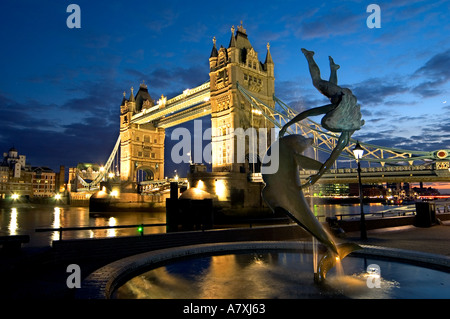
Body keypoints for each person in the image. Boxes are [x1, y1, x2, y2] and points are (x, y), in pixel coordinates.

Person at [280, 48, 364, 188]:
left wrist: (318, 176)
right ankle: (310, 56)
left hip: (337, 95)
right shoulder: (338, 112)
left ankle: (333, 69)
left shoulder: (345, 129)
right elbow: (307, 113)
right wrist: (286, 126)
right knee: (317, 82)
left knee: (330, 94)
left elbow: (333, 157)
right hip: (338, 95)